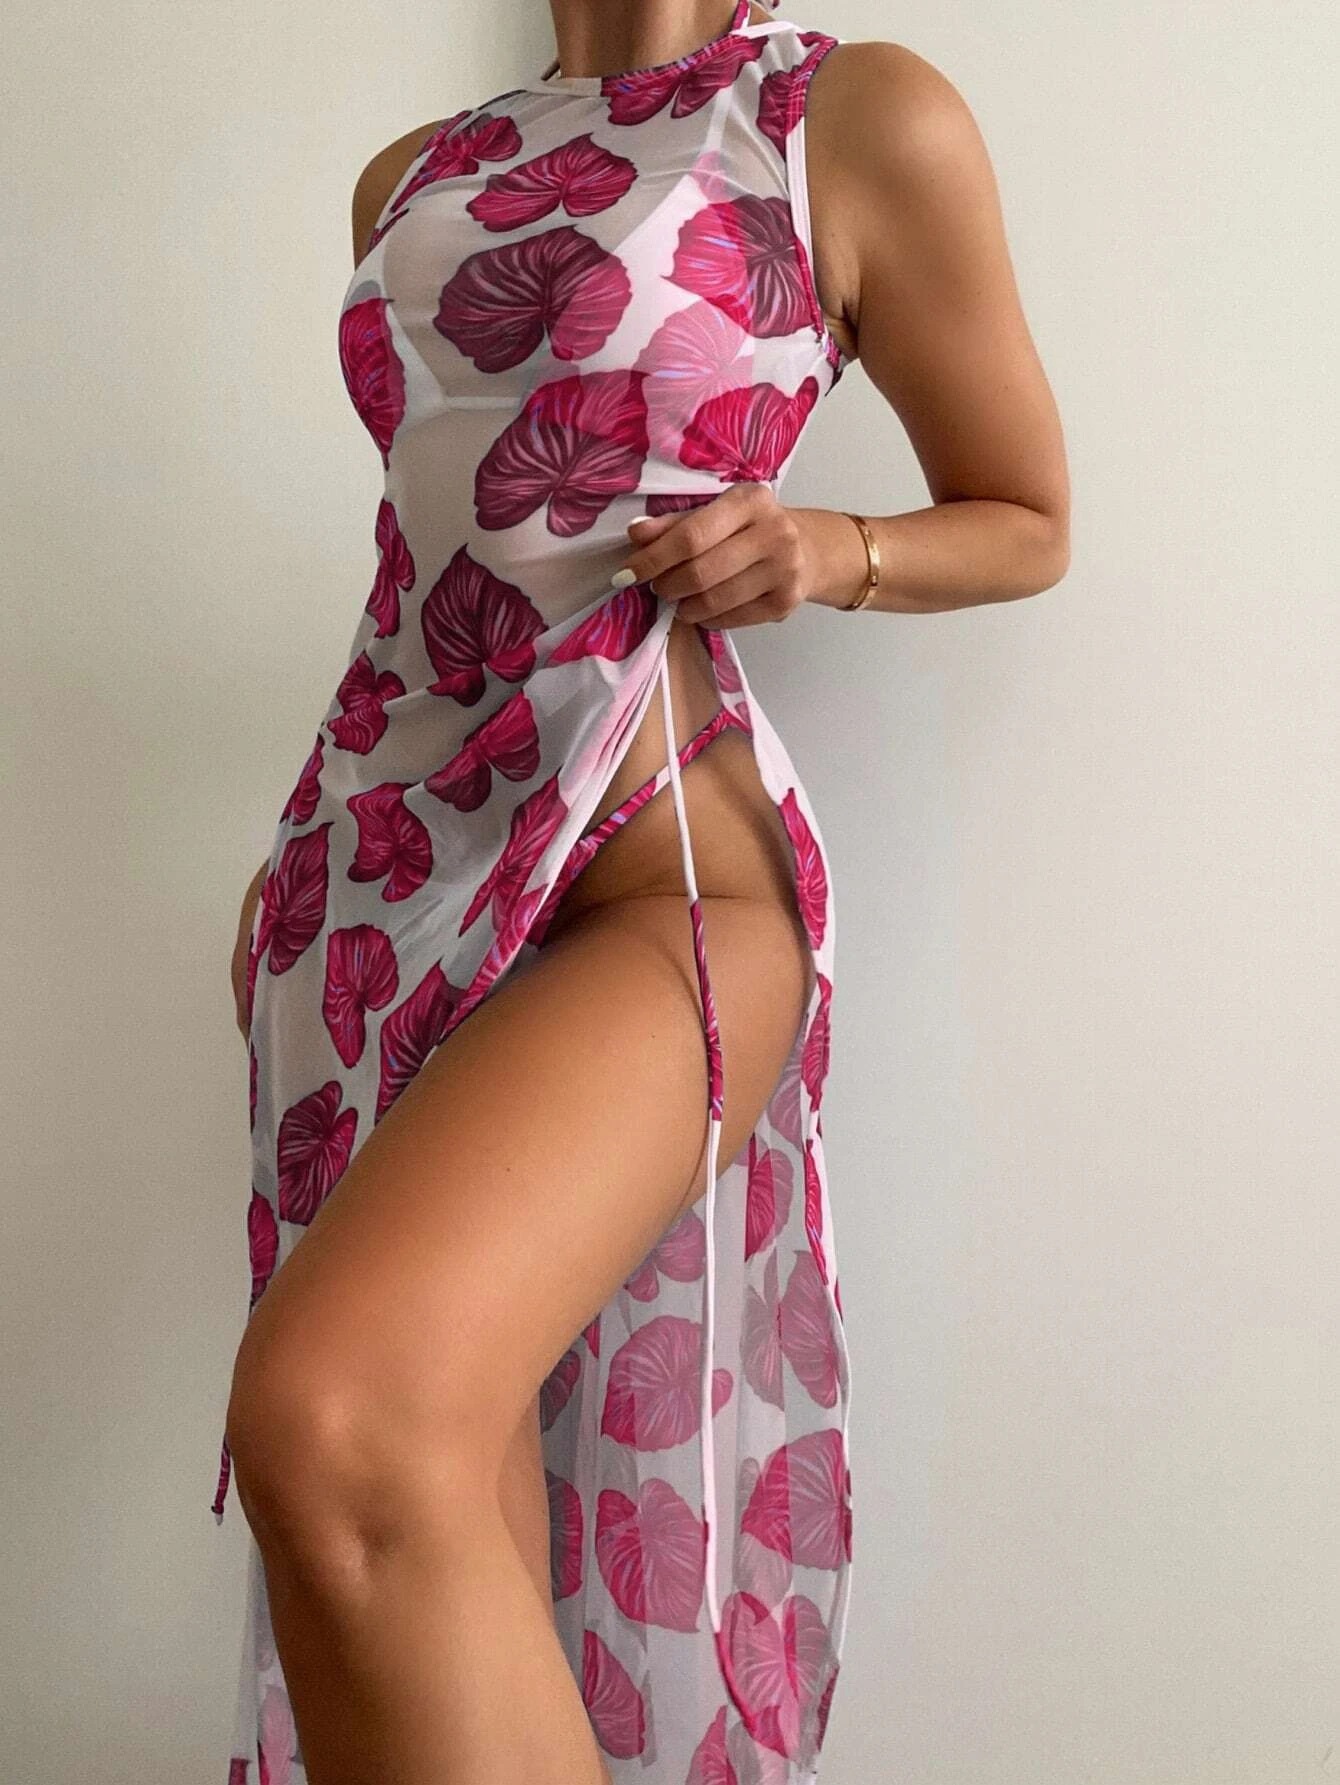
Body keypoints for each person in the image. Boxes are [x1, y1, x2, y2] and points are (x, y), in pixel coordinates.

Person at [214, 3, 1069, 1781]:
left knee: (338, 1428)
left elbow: (1025, 511)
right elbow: (428, 557)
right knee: (428, 1522)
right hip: (375, 889)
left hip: (663, 884)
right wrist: (303, 851)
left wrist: (829, 548)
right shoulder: (416, 177)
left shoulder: (847, 118)